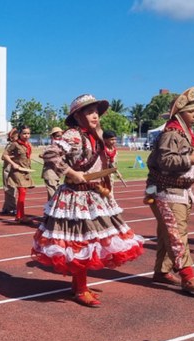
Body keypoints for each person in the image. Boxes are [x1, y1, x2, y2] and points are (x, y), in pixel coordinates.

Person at [33, 94, 144, 308]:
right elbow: (50, 154)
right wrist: (70, 172)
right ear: (77, 116)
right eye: (89, 112)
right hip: (77, 198)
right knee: (80, 242)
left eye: (96, 112)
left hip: (94, 194)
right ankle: (81, 288)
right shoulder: (73, 135)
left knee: (92, 240)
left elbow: (103, 161)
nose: (95, 116)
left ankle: (79, 285)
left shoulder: (96, 135)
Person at [145, 86, 194, 293]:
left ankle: (162, 271)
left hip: (177, 192)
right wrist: (189, 159)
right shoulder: (172, 133)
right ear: (181, 113)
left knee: (166, 233)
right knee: (176, 233)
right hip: (167, 192)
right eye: (191, 112)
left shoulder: (183, 134)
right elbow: (165, 160)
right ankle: (187, 276)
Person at [2, 125, 35, 223]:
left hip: (26, 171)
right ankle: (20, 216)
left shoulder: (28, 145)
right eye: (24, 133)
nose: (26, 135)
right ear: (20, 134)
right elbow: (4, 155)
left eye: (28, 133)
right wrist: (13, 164)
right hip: (17, 171)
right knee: (22, 192)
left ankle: (19, 216)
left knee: (23, 193)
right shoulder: (15, 144)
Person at [1, 128, 19, 215]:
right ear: (12, 138)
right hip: (8, 169)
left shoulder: (17, 145)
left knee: (12, 189)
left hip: (14, 169)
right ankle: (11, 207)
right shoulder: (10, 145)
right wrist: (14, 156)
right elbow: (3, 156)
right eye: (17, 137)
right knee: (10, 189)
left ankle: (6, 208)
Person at [41, 127, 63, 200]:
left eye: (61, 136)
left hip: (57, 174)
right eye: (57, 136)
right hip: (49, 173)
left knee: (54, 195)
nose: (60, 138)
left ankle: (48, 210)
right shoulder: (49, 147)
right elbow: (42, 155)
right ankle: (52, 210)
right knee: (54, 196)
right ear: (52, 137)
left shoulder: (62, 147)